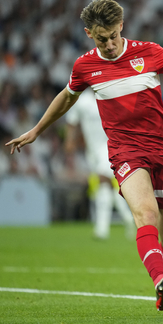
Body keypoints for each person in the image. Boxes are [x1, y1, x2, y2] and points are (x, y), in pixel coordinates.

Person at [6, 0, 163, 315]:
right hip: (125, 152)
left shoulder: (149, 52)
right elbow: (66, 99)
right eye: (100, 38)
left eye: (112, 36)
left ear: (121, 26)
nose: (108, 44)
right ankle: (162, 283)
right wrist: (37, 130)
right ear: (88, 33)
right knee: (145, 216)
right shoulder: (84, 67)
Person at [64, 88, 135, 240]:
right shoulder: (82, 101)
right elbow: (72, 121)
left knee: (103, 181)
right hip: (92, 151)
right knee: (107, 186)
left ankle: (102, 229)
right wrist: (70, 140)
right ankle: (129, 219)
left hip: (109, 146)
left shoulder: (110, 95)